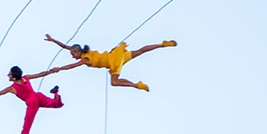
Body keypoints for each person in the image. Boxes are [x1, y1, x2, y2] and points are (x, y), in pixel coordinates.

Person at [45, 33, 177, 92]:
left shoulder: (86, 59)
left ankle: (137, 85)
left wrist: (59, 68)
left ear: (77, 52)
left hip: (113, 62)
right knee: (140, 51)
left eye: (73, 54)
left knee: (114, 82)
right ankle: (162, 44)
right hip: (118, 55)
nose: (73, 57)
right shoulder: (85, 52)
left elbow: (72, 66)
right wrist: (53, 40)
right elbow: (65, 46)